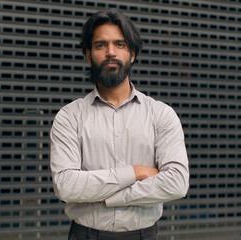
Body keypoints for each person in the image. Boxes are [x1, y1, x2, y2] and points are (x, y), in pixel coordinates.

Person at [50, 9, 189, 240]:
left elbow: (176, 183)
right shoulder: (69, 117)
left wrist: (110, 195)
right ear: (88, 55)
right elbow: (66, 186)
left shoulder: (161, 114)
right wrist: (137, 172)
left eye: (120, 44)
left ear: (132, 54)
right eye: (100, 45)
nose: (110, 52)